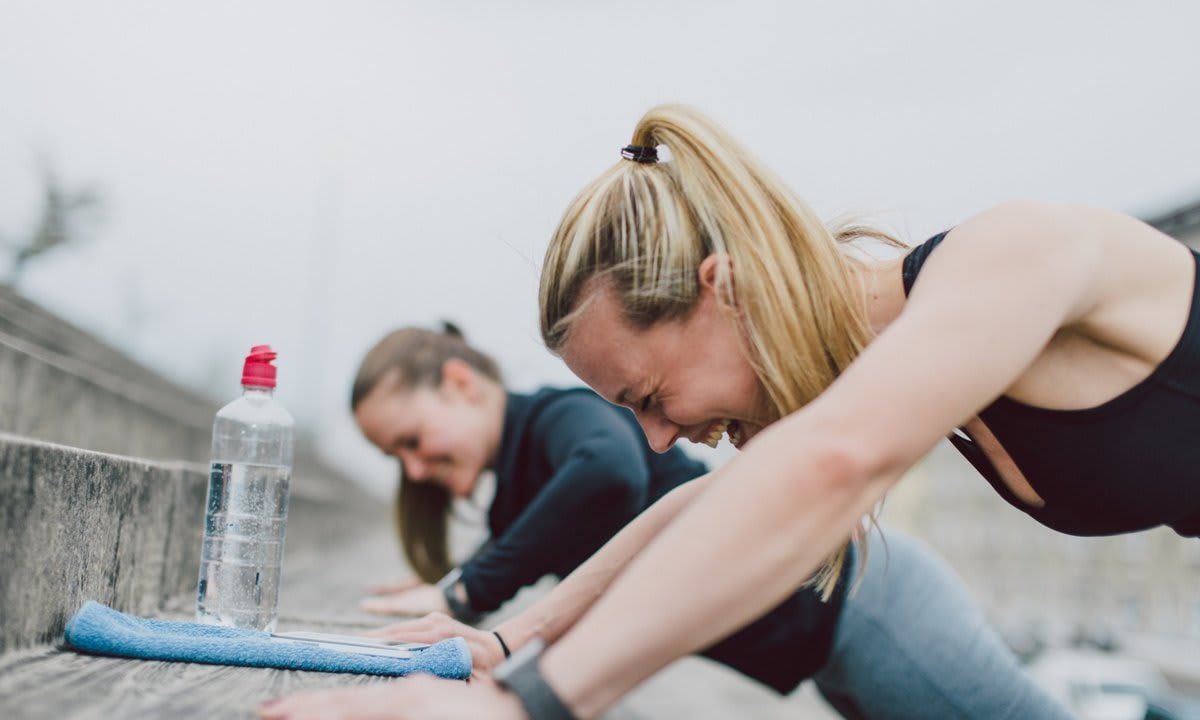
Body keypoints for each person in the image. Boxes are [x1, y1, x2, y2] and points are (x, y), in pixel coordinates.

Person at [264, 101, 1200, 717]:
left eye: (652, 397)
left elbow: (835, 461)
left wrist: (525, 704)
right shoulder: (892, 358)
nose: (660, 438)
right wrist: (508, 640)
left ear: (722, 288)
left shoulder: (1018, 255)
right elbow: (698, 503)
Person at [261, 324, 1070, 719]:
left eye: (412, 439)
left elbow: (610, 476)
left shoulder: (558, 421)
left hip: (871, 614)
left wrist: (471, 591)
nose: (411, 467)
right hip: (830, 653)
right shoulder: (523, 489)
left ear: (464, 386)